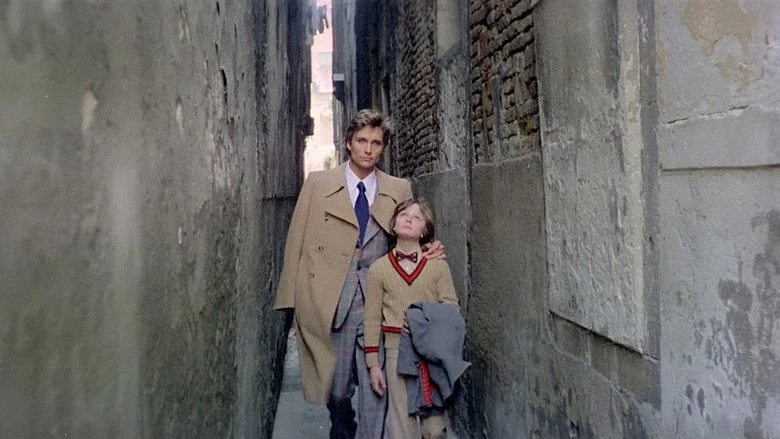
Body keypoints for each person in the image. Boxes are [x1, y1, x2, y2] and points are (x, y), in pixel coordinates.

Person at [274, 109, 442, 438]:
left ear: (383, 148)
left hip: (380, 305)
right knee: (336, 391)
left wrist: (428, 253)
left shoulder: (399, 188)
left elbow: (409, 236)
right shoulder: (318, 184)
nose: (368, 149)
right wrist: (291, 303)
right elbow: (296, 241)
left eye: (376, 143)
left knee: (376, 392)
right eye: (362, 141)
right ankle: (342, 423)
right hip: (332, 304)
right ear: (348, 142)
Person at [363, 200, 462, 439]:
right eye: (403, 215)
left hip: (431, 352)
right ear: (393, 225)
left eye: (417, 218)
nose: (409, 219)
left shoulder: (437, 267)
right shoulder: (379, 269)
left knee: (434, 427)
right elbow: (372, 318)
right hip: (396, 351)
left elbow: (452, 307)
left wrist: (423, 318)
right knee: (402, 426)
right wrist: (373, 364)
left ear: (424, 230)